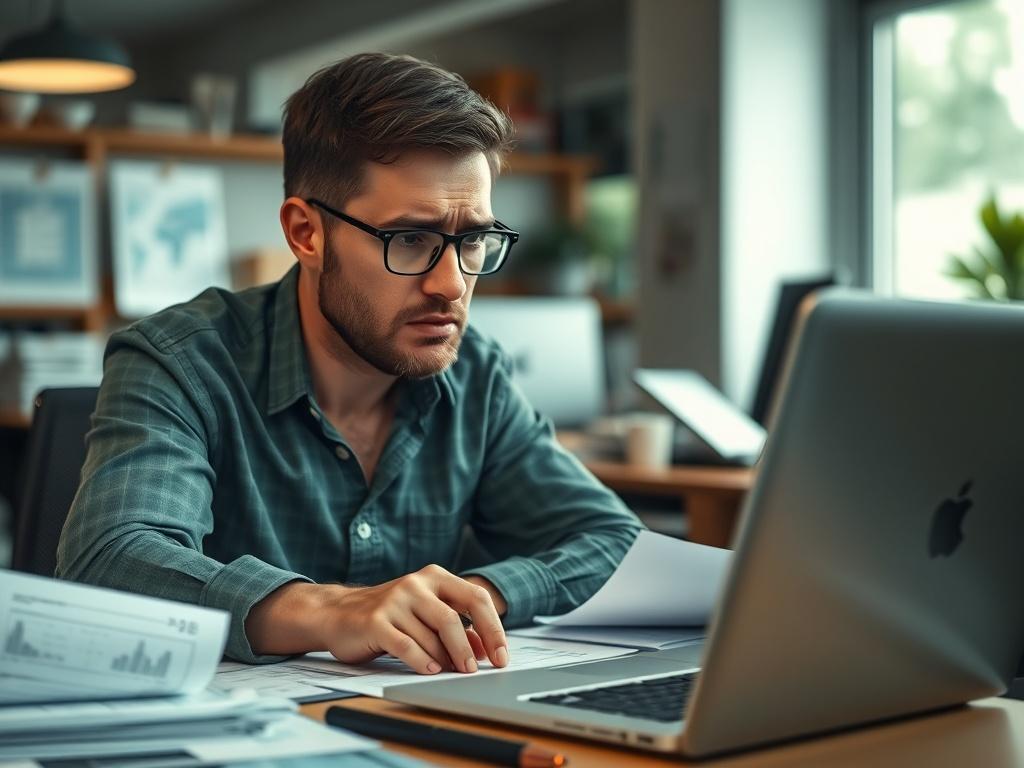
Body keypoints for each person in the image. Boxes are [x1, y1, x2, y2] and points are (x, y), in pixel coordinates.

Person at [57, 53, 643, 674]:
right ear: (307, 233)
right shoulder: (181, 361)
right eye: (409, 239)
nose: (451, 284)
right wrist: (332, 611)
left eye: (472, 239)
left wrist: (473, 601)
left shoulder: (475, 376)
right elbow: (112, 558)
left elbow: (617, 545)